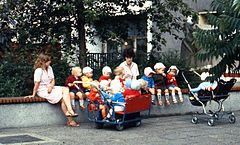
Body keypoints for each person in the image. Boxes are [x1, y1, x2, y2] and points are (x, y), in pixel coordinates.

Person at [28, 53, 79, 127]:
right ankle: (70, 119)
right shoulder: (38, 71)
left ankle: (70, 111)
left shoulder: (49, 68)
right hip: (42, 90)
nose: (50, 62)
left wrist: (51, 86)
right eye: (48, 61)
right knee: (63, 98)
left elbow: (52, 80)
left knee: (65, 89)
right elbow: (37, 84)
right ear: (43, 62)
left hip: (50, 88)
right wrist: (33, 94)